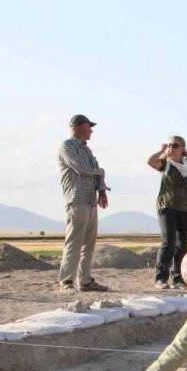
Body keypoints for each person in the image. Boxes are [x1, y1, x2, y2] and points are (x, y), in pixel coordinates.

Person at [57, 114, 110, 292]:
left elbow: (97, 173)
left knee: (89, 244)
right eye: (89, 126)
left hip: (91, 201)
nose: (91, 130)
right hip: (77, 200)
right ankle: (66, 281)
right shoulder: (67, 146)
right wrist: (100, 171)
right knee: (74, 242)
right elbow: (81, 168)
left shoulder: (87, 150)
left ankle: (85, 280)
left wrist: (102, 191)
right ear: (78, 126)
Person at [147, 135, 187, 289]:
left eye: (175, 145)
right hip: (167, 208)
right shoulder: (166, 163)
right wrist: (161, 150)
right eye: (170, 145)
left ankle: (178, 278)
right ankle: (161, 278)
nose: (171, 147)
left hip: (185, 209)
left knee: (182, 246)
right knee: (168, 242)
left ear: (183, 148)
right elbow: (150, 161)